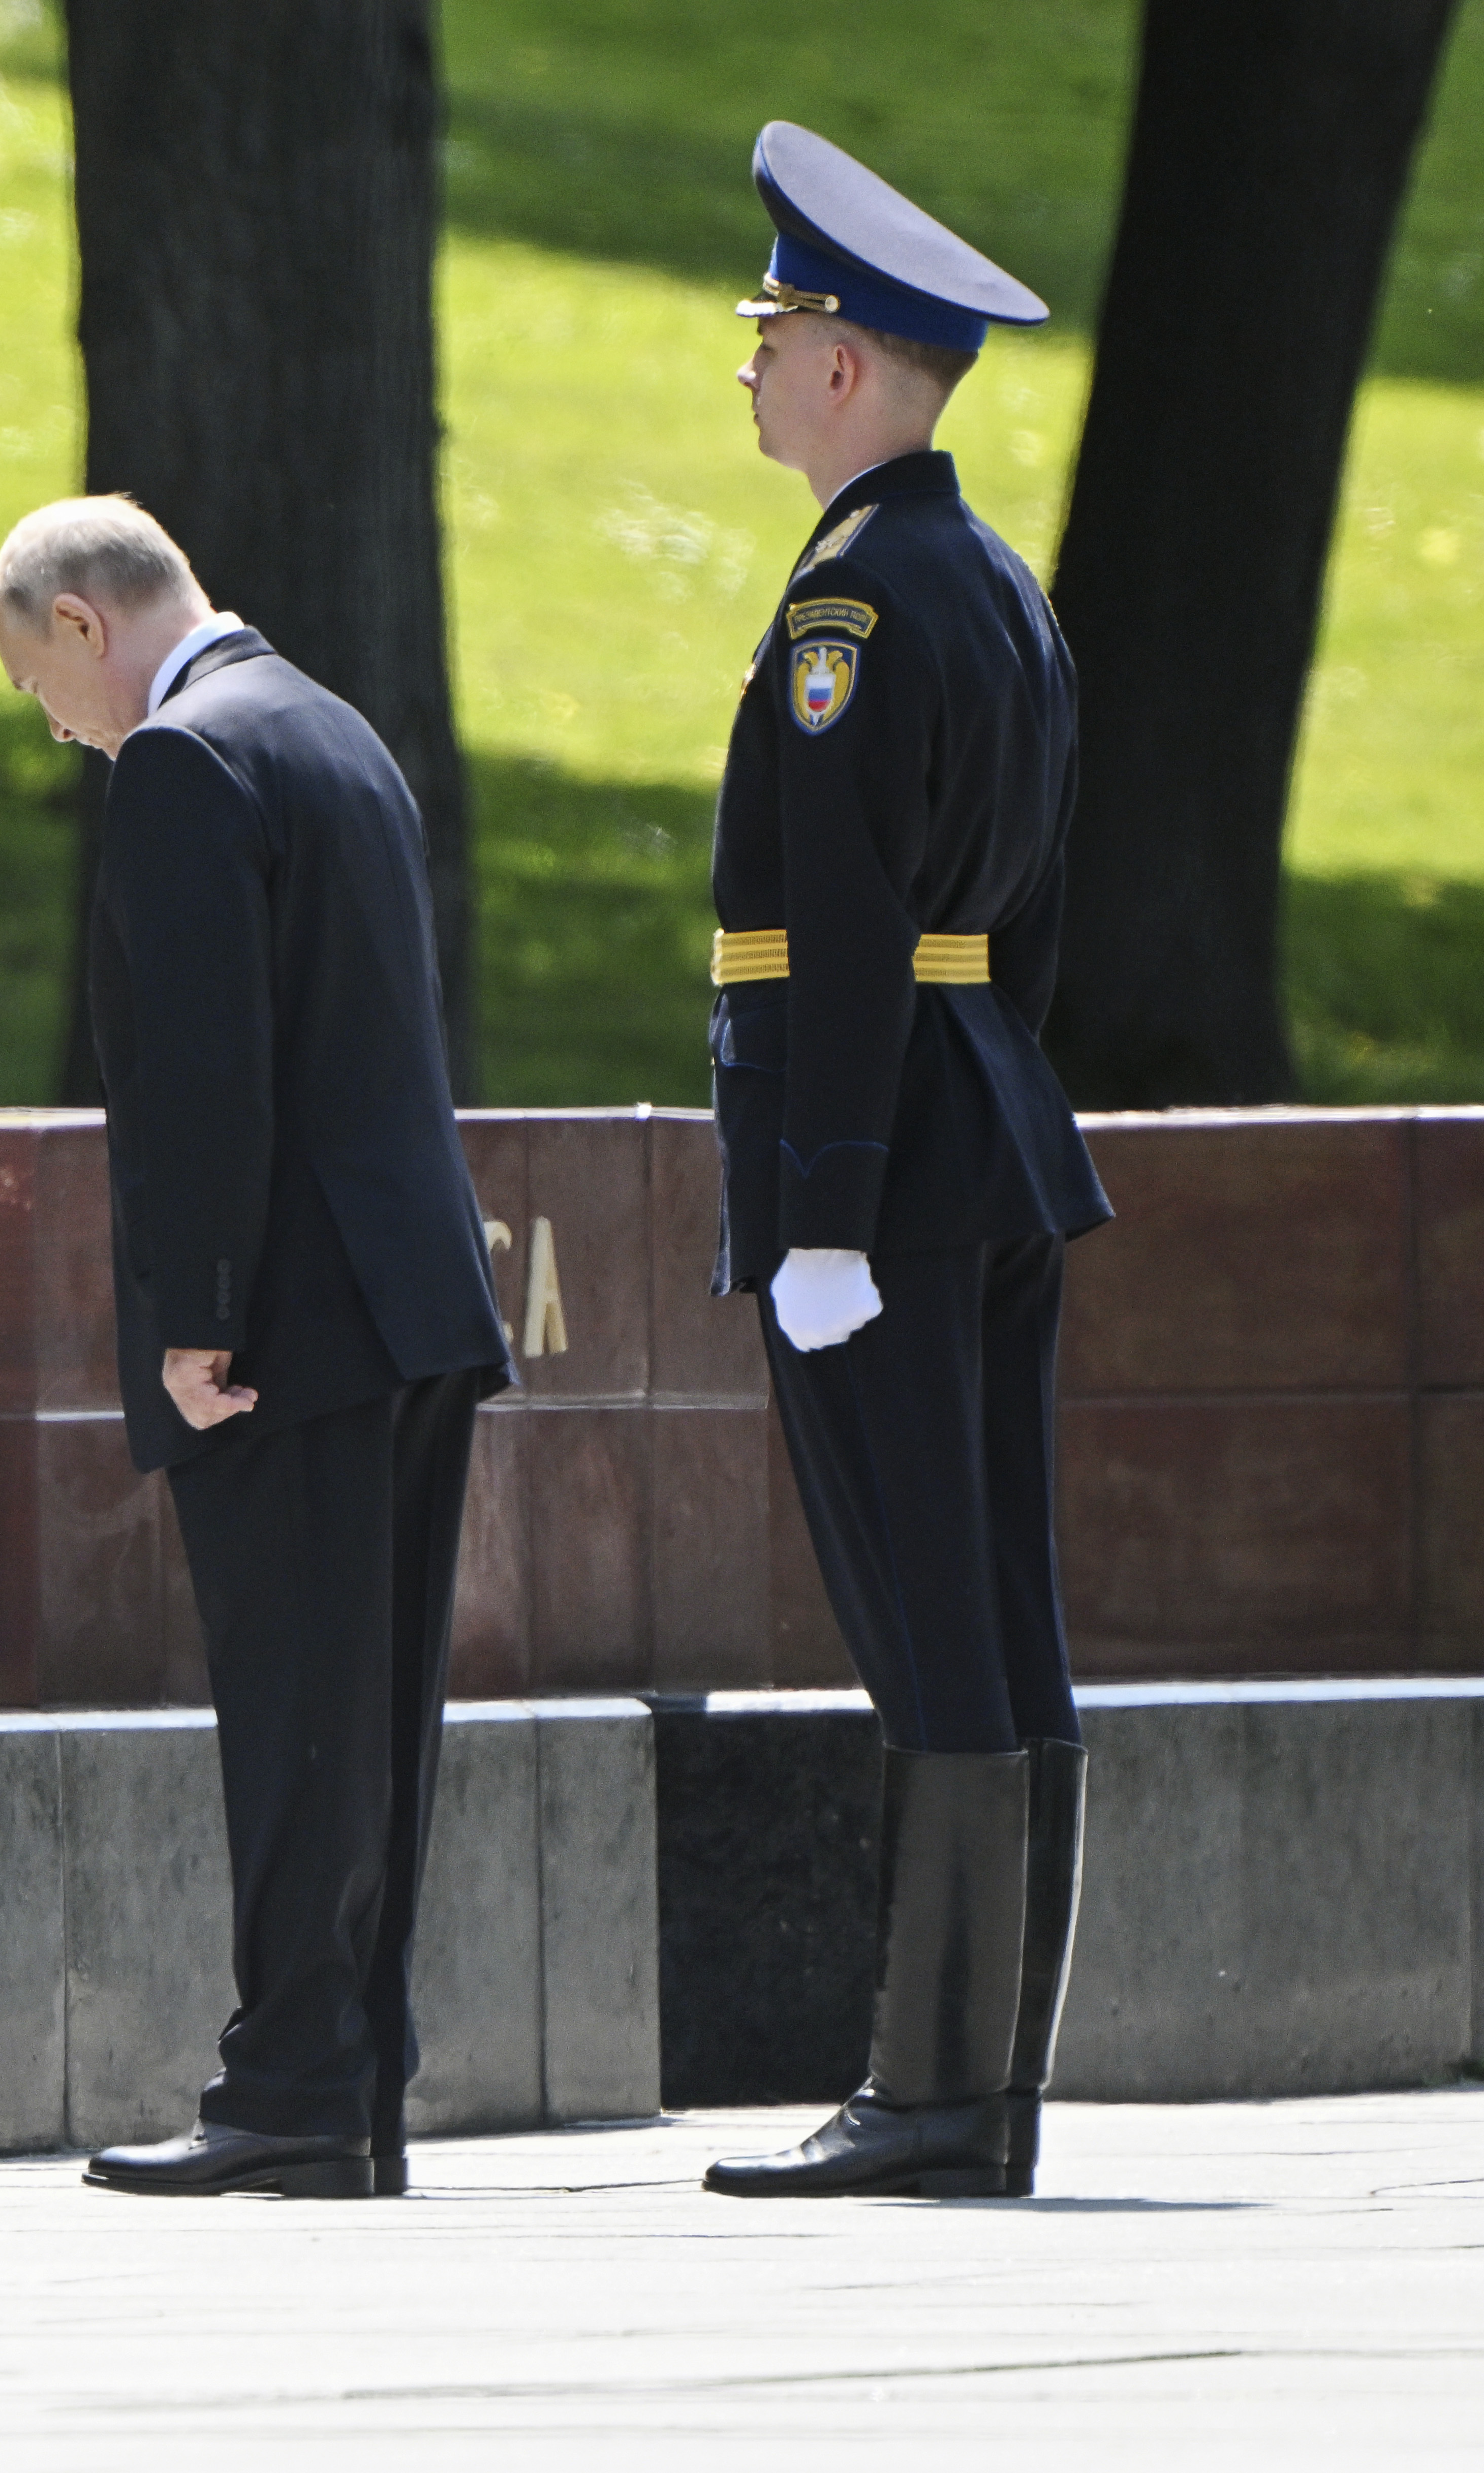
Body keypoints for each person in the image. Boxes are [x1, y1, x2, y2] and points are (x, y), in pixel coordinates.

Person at [0, 497, 512, 2201]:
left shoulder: (181, 762)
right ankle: (350, 2079)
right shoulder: (329, 726)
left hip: (285, 1324)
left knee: (295, 1710)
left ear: (81, 622)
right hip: (412, 1302)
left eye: (36, 686)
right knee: (370, 1719)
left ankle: (287, 2086)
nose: (55, 728)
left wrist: (196, 1320)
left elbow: (201, 1078)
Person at [694, 124, 1112, 2201]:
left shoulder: (854, 597)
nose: (751, 366)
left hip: (887, 1173)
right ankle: (983, 2081)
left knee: (932, 1618)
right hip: (995, 1131)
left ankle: (936, 2093)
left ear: (849, 367)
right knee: (1002, 1613)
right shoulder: (998, 585)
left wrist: (826, 1204)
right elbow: (1017, 926)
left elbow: (847, 924)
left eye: (774, 333)